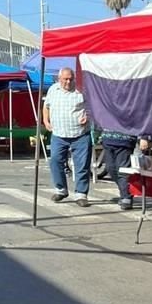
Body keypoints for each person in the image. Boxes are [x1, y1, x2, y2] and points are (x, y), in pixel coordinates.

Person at [43, 67, 92, 207]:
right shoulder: (53, 89)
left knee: (82, 165)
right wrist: (46, 121)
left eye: (71, 79)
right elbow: (46, 106)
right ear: (59, 79)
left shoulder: (81, 90)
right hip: (59, 134)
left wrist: (88, 116)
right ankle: (61, 189)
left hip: (80, 134)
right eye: (65, 79)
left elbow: (93, 107)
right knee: (55, 161)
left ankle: (81, 194)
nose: (68, 81)